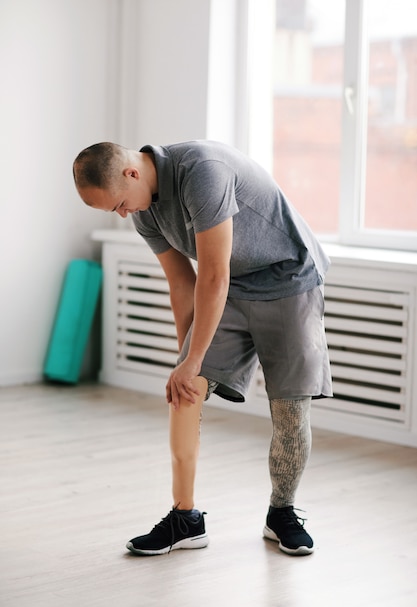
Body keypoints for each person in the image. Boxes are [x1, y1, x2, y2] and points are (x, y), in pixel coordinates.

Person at [73, 139, 332, 557]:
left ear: (132, 173)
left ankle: (281, 513)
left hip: (288, 280)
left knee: (290, 408)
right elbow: (182, 285)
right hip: (229, 286)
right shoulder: (144, 211)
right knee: (185, 393)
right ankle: (185, 518)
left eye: (120, 204)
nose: (123, 214)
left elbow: (214, 273)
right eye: (114, 212)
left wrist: (193, 360)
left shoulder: (201, 171)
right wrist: (187, 361)